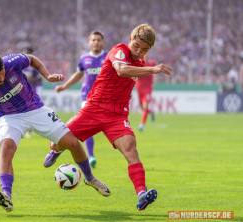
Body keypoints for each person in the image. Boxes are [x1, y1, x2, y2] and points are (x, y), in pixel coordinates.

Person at [0, 52, 110, 213]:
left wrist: (47, 76)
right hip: (10, 117)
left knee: (73, 143)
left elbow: (32, 60)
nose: (1, 78)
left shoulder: (11, 62)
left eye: (2, 74)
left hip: (36, 109)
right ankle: (6, 195)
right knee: (6, 148)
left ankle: (89, 178)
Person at [44, 24, 172, 211]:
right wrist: (153, 70)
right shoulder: (118, 50)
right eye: (136, 46)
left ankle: (141, 194)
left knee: (131, 149)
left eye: (144, 49)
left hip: (117, 115)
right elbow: (120, 70)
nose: (138, 52)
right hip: (93, 109)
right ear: (130, 40)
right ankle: (56, 150)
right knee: (56, 143)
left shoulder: (140, 63)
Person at [47, 30, 107, 168]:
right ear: (89, 42)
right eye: (94, 40)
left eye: (98, 40)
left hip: (104, 99)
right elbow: (78, 74)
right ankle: (90, 155)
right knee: (88, 124)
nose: (96, 42)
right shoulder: (84, 58)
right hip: (88, 97)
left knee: (103, 126)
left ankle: (60, 146)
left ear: (102, 42)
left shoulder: (109, 58)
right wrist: (64, 86)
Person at [21, 47, 43, 138]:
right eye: (24, 53)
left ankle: (30, 130)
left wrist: (30, 79)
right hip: (22, 91)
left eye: (27, 53)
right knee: (23, 110)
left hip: (33, 91)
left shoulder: (34, 65)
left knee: (31, 110)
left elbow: (40, 78)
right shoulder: (20, 66)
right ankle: (25, 129)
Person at [135, 54, 156, 131]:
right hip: (139, 87)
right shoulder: (139, 63)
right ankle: (151, 111)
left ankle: (142, 124)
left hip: (148, 88)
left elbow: (155, 74)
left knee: (145, 107)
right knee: (142, 108)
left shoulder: (152, 63)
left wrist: (153, 82)